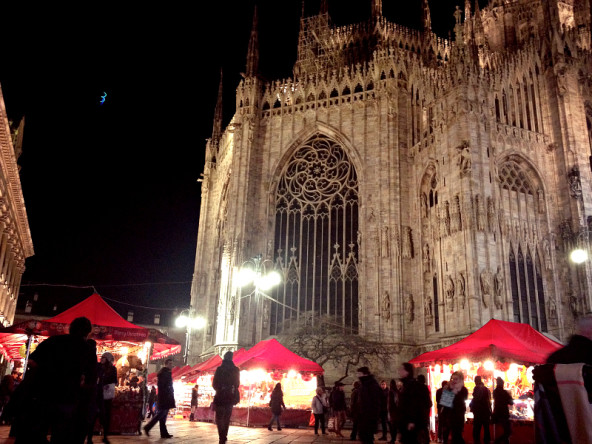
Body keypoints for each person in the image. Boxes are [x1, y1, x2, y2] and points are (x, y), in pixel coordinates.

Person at [15, 316, 96, 443]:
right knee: (61, 435)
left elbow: (31, 361)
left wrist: (48, 371)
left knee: (38, 432)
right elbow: (91, 379)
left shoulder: (53, 341)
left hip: (45, 394)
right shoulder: (87, 349)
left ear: (70, 328)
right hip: (68, 398)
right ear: (88, 332)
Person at [212, 351, 240, 444]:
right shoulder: (236, 369)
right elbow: (237, 384)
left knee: (219, 417)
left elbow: (214, 384)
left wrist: (220, 388)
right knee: (227, 417)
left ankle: (221, 436)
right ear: (232, 358)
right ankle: (224, 435)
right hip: (230, 396)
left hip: (220, 395)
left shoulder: (220, 369)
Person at [143, 358, 175, 439]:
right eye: (170, 364)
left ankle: (164, 433)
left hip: (165, 396)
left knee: (163, 416)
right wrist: (169, 391)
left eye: (172, 364)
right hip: (165, 397)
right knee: (161, 414)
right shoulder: (164, 373)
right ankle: (148, 427)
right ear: (166, 364)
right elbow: (163, 386)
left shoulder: (165, 372)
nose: (171, 365)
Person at [440, 371, 468, 444]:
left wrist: (454, 392)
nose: (454, 381)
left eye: (456, 379)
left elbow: (460, 402)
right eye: (453, 379)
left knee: (457, 436)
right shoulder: (448, 388)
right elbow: (445, 403)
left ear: (461, 379)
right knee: (446, 437)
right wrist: (449, 391)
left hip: (458, 417)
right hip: (448, 417)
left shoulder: (463, 389)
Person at [357, 366, 382, 444]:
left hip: (369, 416)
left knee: (367, 438)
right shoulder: (364, 384)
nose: (357, 375)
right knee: (365, 437)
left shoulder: (371, 384)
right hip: (364, 416)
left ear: (365, 374)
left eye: (359, 373)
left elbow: (375, 401)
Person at [398, 363, 421, 444]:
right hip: (405, 420)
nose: (399, 371)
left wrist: (412, 420)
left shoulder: (411, 385)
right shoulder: (405, 384)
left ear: (407, 372)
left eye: (402, 369)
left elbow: (413, 403)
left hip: (408, 421)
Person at [97, 352, 117, 444]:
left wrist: (104, 382)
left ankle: (105, 435)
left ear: (108, 359)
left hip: (106, 395)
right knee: (97, 414)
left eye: (104, 358)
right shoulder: (98, 367)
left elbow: (114, 380)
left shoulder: (112, 369)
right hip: (99, 394)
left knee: (106, 415)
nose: (102, 359)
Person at [491, 377, 513, 444]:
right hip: (503, 413)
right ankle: (497, 441)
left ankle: (501, 441)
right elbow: (511, 402)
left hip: (497, 413)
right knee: (508, 431)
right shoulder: (504, 392)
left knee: (505, 431)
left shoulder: (495, 392)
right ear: (502, 384)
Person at [470, 376, 491, 444]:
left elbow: (476, 399)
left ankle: (477, 441)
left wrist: (472, 405)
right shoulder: (486, 389)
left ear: (476, 381)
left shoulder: (477, 388)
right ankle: (486, 441)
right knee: (486, 428)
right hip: (486, 411)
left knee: (477, 429)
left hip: (479, 411)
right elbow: (489, 400)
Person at [416, 374, 433, 444]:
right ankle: (426, 439)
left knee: (420, 428)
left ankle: (422, 439)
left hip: (419, 412)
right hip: (424, 412)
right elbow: (429, 402)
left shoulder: (417, 388)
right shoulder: (425, 388)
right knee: (424, 427)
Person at [387, 379, 400, 444]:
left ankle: (393, 439)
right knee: (394, 426)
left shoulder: (391, 392)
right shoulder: (397, 391)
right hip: (396, 411)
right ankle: (393, 438)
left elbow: (391, 403)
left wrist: (389, 411)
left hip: (392, 411)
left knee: (392, 426)